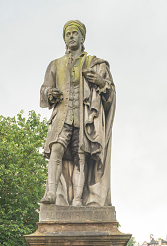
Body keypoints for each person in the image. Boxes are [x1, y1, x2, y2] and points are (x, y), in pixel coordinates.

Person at [40, 20, 116, 207]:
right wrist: (50, 93)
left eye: (75, 33)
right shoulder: (55, 65)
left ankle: (77, 200)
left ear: (82, 37)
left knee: (80, 157)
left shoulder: (95, 64)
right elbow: (44, 90)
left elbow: (110, 95)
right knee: (55, 150)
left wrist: (100, 81)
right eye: (68, 34)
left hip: (84, 120)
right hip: (62, 118)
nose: (71, 36)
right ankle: (51, 193)